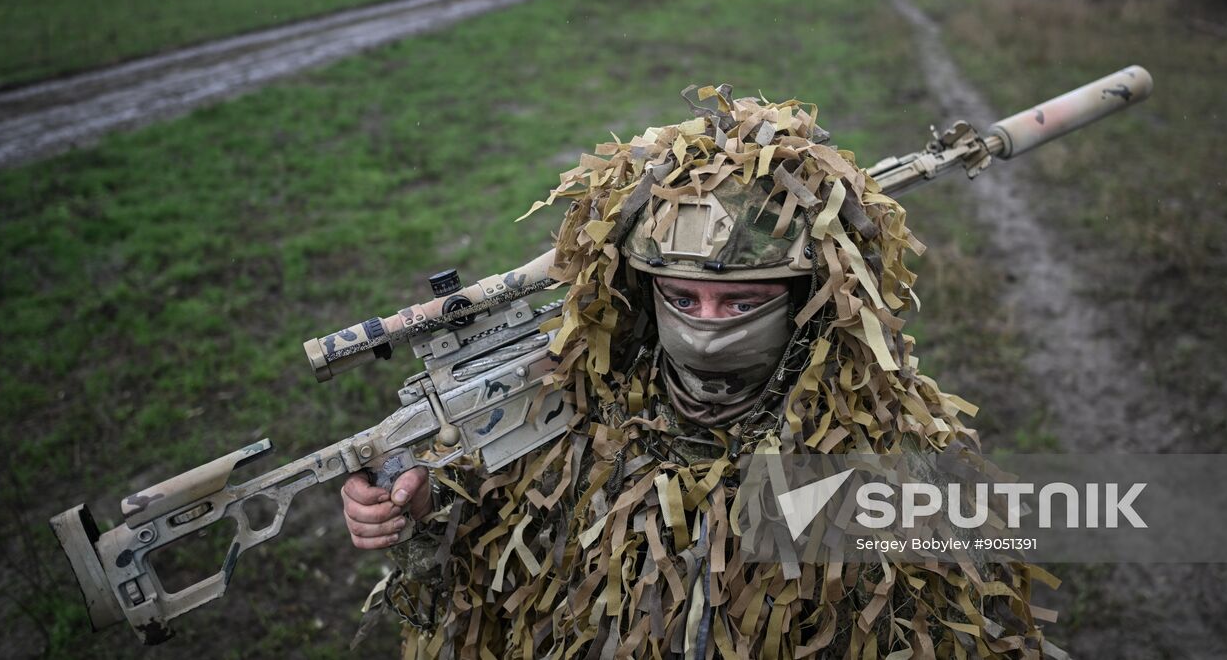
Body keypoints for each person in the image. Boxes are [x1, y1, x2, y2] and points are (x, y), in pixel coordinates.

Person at [340, 86, 1053, 658]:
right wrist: (420, 508)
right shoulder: (576, 404)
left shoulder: (880, 448)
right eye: (682, 298)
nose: (706, 328)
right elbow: (490, 572)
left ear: (809, 301)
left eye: (741, 301)